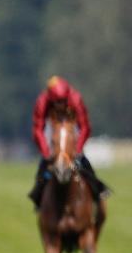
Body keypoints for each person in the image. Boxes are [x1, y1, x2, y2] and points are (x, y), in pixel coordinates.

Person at [28, 76, 109, 207]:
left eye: (63, 101)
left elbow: (85, 127)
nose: (60, 105)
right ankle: (38, 193)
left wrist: (77, 150)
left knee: (81, 159)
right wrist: (46, 152)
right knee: (44, 163)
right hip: (51, 127)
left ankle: (97, 189)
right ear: (51, 99)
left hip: (72, 126)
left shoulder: (76, 99)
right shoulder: (42, 101)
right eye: (57, 102)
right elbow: (38, 129)